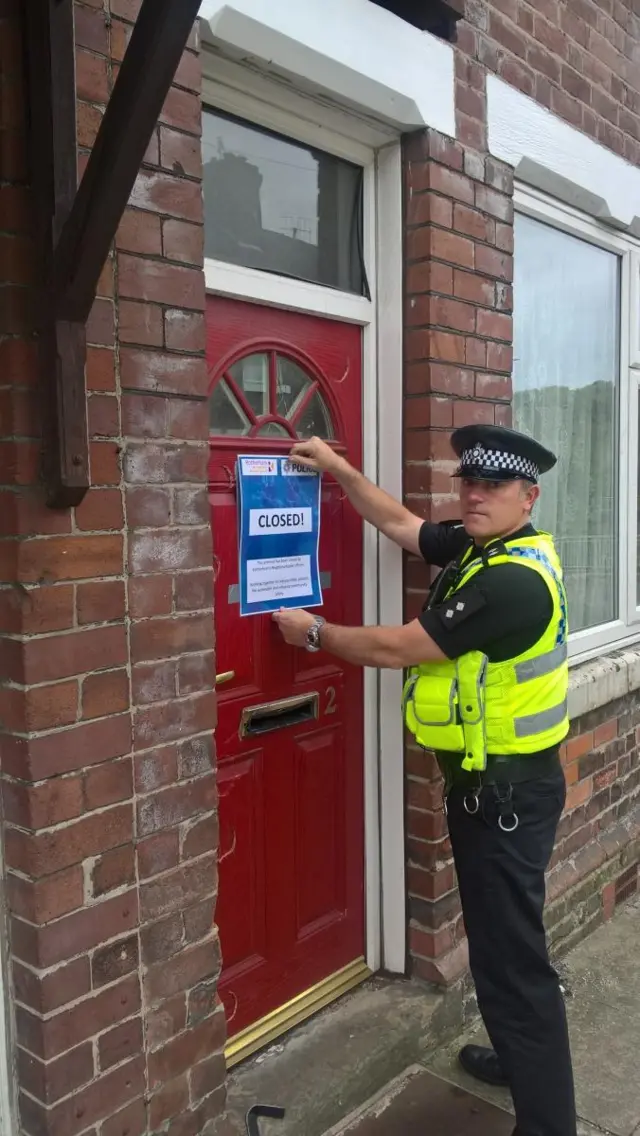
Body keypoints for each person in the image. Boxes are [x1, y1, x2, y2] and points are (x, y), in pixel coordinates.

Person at [272, 424, 576, 1136]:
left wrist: (314, 635)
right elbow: (403, 526)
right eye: (468, 482)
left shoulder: (511, 581)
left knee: (513, 963)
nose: (474, 494)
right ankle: (516, 1058)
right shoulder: (485, 547)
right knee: (503, 946)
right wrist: (338, 468)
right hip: (493, 793)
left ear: (527, 497)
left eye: (492, 487)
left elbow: (400, 647)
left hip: (506, 799)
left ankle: (549, 1122)